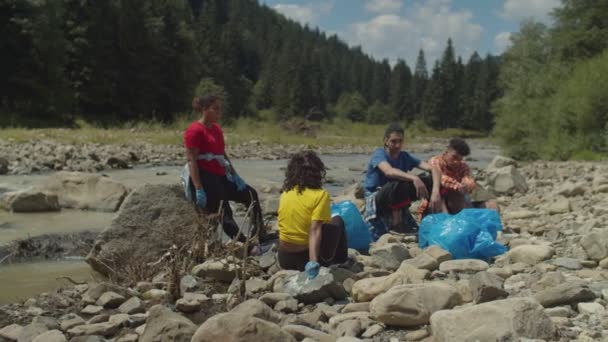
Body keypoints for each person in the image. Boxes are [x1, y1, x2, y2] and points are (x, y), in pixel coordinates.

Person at [184, 94, 265, 244]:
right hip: (205, 177)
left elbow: (222, 155)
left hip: (221, 175)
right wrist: (198, 188)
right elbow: (192, 160)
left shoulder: (216, 129)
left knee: (250, 194)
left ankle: (260, 232)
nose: (219, 112)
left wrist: (235, 176)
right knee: (224, 212)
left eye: (220, 109)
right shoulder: (194, 131)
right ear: (204, 109)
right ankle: (246, 246)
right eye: (215, 109)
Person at [364, 123, 442, 240]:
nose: (397, 145)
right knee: (399, 182)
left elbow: (433, 168)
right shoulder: (379, 154)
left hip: (397, 195)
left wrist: (436, 191)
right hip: (377, 197)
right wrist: (414, 178)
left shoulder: (404, 156)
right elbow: (389, 171)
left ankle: (430, 218)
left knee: (429, 179)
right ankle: (397, 225)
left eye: (400, 141)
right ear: (386, 141)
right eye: (394, 141)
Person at [277, 150, 348, 279]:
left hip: (285, 258)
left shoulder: (285, 193)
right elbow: (314, 230)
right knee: (337, 221)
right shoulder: (320, 195)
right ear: (317, 173)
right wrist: (313, 263)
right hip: (305, 259)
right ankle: (340, 261)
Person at [418, 138, 498, 219]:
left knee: (491, 204)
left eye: (460, 159)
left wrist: (468, 184)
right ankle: (459, 219)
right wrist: (458, 186)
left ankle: (474, 219)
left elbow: (468, 178)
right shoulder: (435, 161)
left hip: (460, 202)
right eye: (454, 157)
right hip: (437, 200)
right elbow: (441, 178)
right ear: (447, 152)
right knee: (453, 193)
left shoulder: (463, 166)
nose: (456, 162)